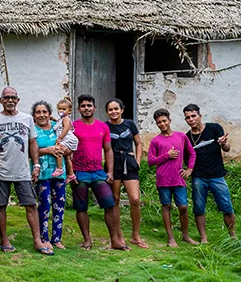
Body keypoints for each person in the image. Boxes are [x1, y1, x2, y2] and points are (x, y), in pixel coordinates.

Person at [0, 87, 53, 255]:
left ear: (18, 100)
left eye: (13, 97)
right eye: (6, 97)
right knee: (0, 206)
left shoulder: (27, 119)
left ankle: (37, 240)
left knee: (30, 204)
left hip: (23, 171)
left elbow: (32, 143)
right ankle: (4, 239)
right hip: (1, 171)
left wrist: (36, 165)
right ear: (0, 100)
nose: (10, 100)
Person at [71, 94, 129, 251]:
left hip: (98, 172)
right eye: (83, 106)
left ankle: (115, 241)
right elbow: (66, 150)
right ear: (79, 109)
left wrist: (109, 172)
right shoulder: (72, 126)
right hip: (79, 172)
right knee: (81, 208)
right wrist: (70, 172)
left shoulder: (103, 127)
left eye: (89, 105)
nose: (86, 108)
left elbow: (108, 149)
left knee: (109, 204)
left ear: (94, 108)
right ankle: (87, 240)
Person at [183, 104, 236, 243]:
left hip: (217, 176)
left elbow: (227, 149)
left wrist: (224, 143)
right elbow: (187, 158)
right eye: (188, 117)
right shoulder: (187, 138)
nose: (191, 119)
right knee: (199, 208)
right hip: (198, 177)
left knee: (227, 206)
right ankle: (203, 237)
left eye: (193, 116)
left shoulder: (214, 128)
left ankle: (233, 235)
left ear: (200, 116)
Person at [147, 108, 197, 247]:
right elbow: (151, 161)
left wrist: (189, 169)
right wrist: (166, 156)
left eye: (164, 121)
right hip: (163, 179)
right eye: (159, 122)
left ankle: (185, 235)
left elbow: (192, 153)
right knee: (166, 205)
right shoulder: (156, 141)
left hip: (179, 179)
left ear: (169, 120)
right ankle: (170, 238)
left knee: (183, 207)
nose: (162, 124)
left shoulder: (181, 136)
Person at [104, 98, 148, 249]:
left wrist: (137, 161)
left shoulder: (130, 124)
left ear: (122, 110)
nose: (113, 112)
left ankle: (136, 236)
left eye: (116, 109)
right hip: (113, 164)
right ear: (107, 112)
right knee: (114, 200)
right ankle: (118, 235)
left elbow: (138, 143)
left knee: (135, 199)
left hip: (129, 163)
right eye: (110, 110)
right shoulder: (105, 127)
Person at [32, 101, 72, 249]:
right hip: (41, 173)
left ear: (49, 114)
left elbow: (70, 144)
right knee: (44, 205)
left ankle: (57, 238)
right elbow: (30, 152)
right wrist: (47, 150)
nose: (42, 115)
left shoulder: (58, 128)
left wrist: (65, 150)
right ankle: (44, 238)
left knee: (59, 204)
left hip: (59, 173)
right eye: (38, 112)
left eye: (44, 112)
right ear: (34, 115)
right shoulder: (32, 130)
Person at [52, 98, 78, 178]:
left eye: (64, 109)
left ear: (69, 111)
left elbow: (66, 128)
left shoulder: (66, 118)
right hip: (67, 139)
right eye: (59, 109)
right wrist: (53, 119)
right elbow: (59, 124)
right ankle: (71, 174)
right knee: (67, 157)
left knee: (58, 149)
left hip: (68, 139)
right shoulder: (61, 119)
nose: (61, 111)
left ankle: (59, 168)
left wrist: (60, 138)